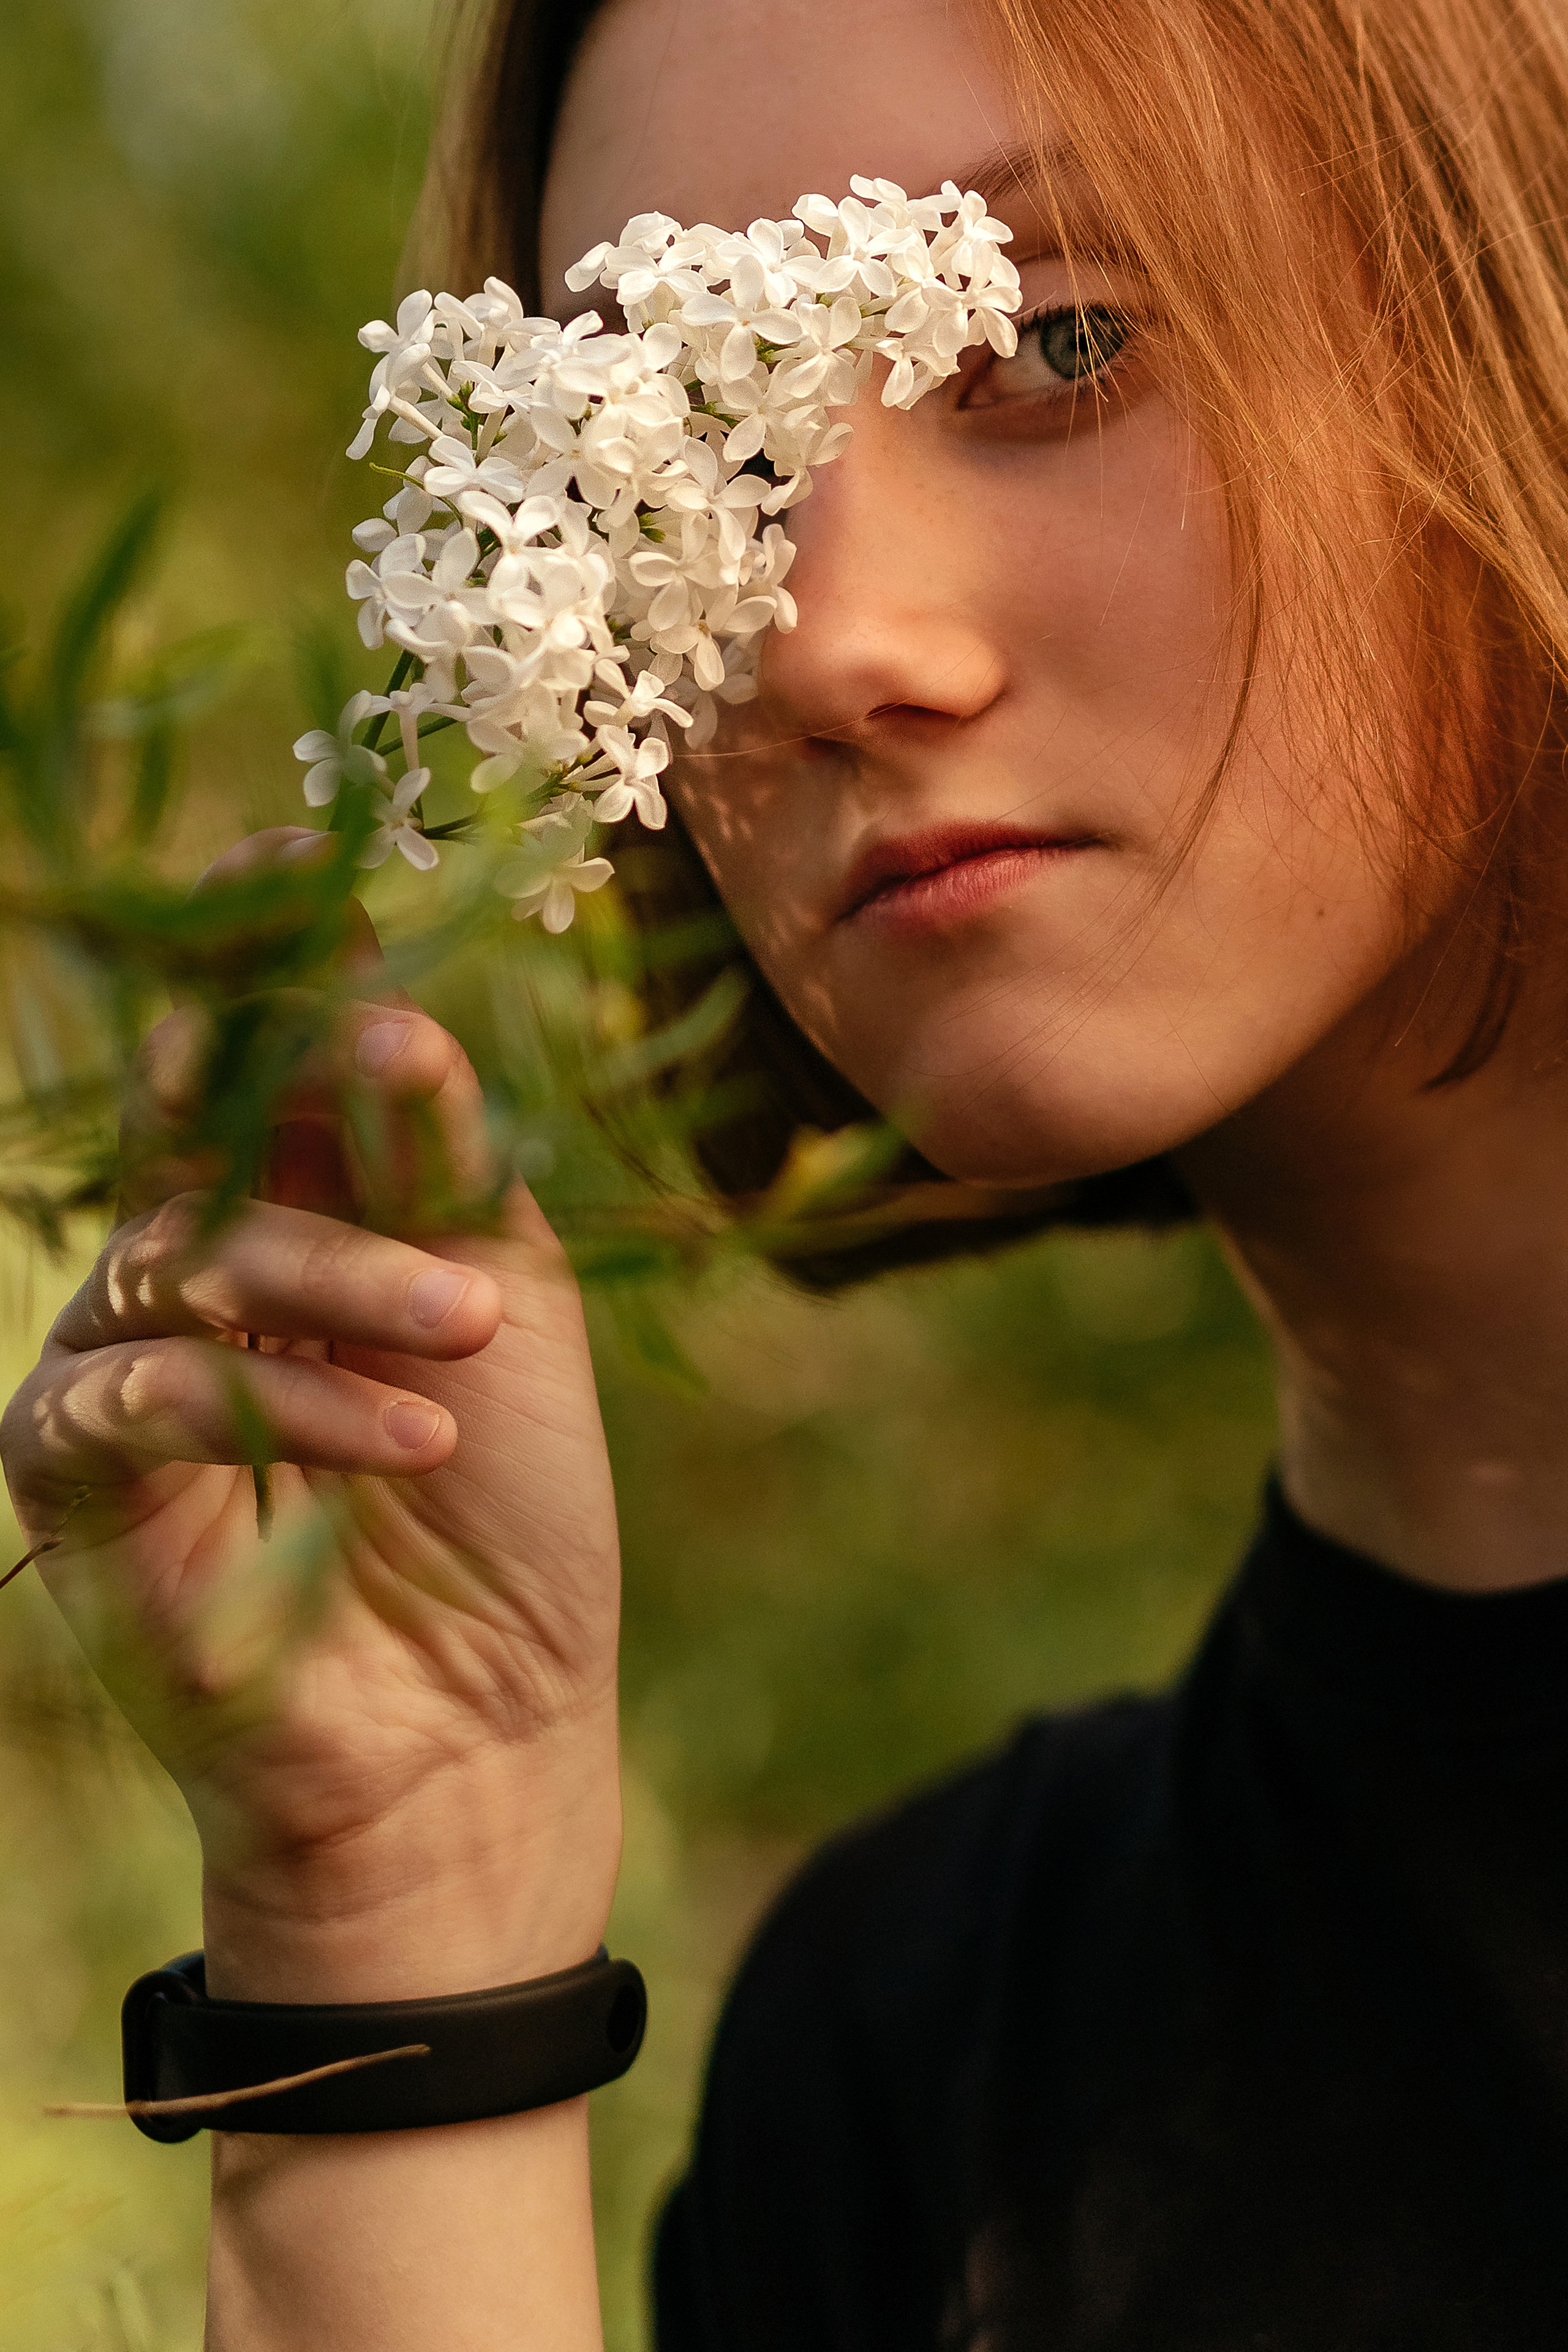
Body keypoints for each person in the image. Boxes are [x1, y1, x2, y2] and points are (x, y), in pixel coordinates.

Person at [8, 0, 1568, 2341]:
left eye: (1054, 334)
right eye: (675, 462)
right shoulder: (928, 2069)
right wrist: (397, 1922)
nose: (827, 637)